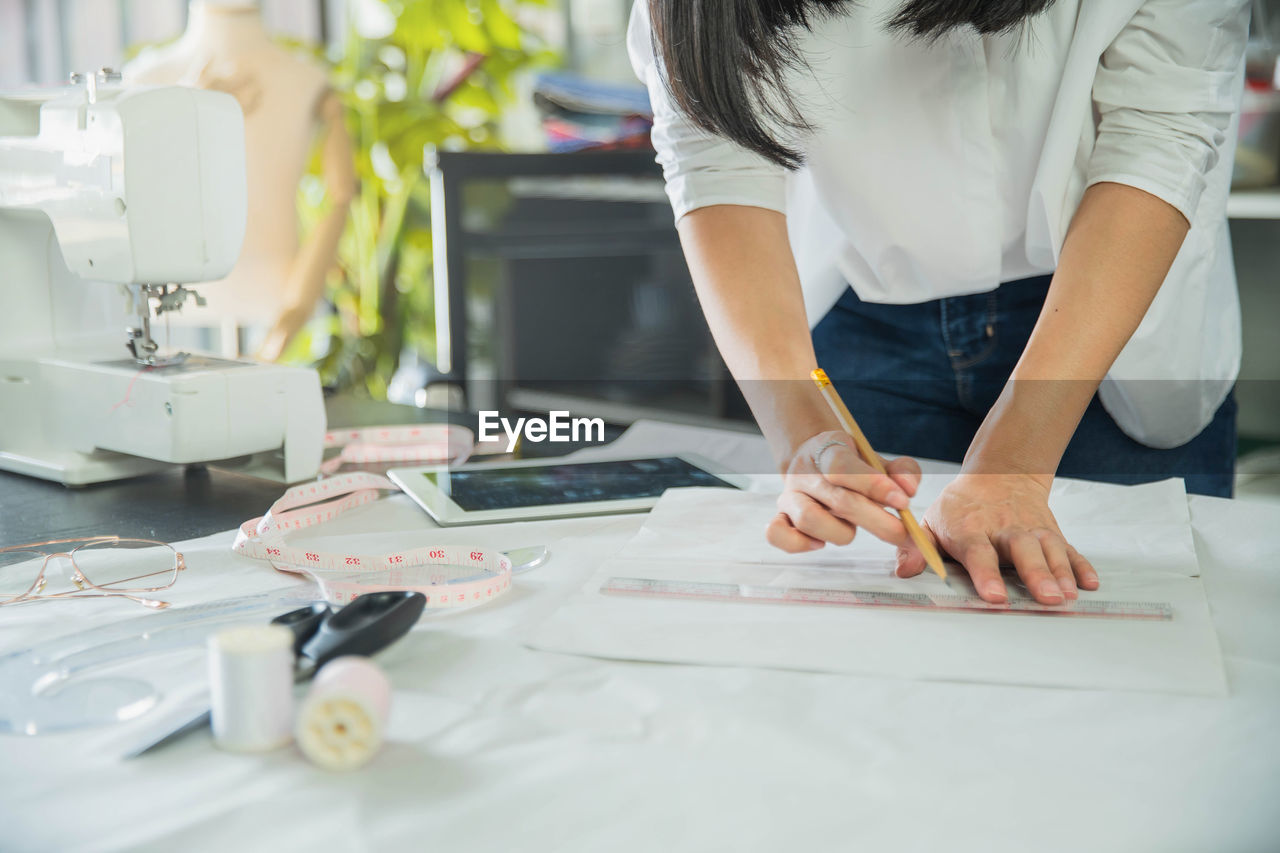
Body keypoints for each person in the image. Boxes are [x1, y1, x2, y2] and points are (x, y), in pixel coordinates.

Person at [628, 0, 1250, 605]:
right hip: (862, 312)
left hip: (1098, 321)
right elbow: (714, 157)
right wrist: (801, 436)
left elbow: (1160, 135)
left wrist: (1018, 464)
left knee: (1144, 643)